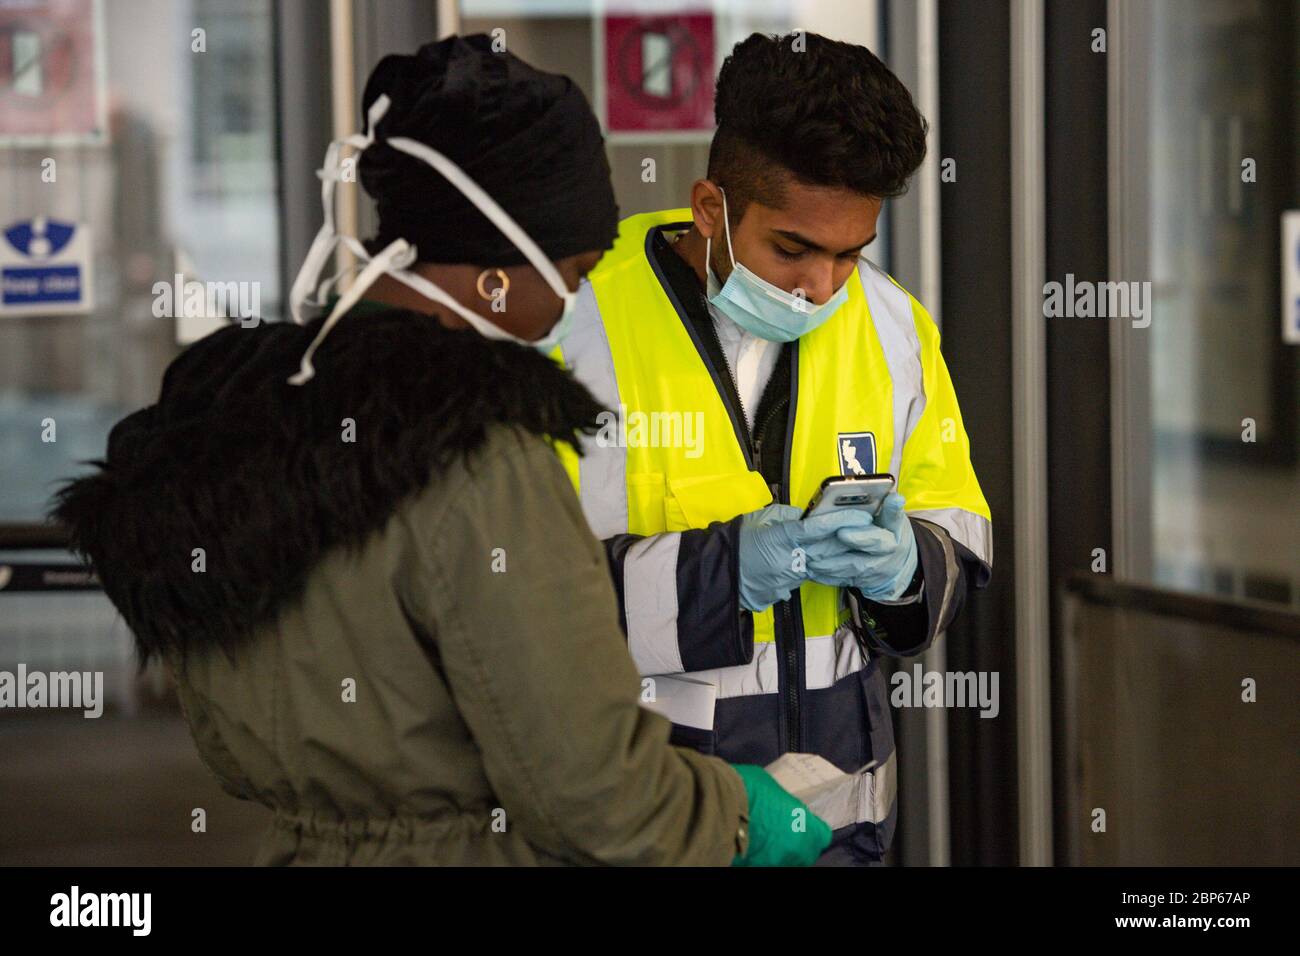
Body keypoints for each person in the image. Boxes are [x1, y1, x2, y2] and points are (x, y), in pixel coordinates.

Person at [50, 35, 831, 866]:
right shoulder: (482, 458)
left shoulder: (240, 425)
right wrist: (737, 815)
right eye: (572, 270)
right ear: (497, 272)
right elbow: (593, 793)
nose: (573, 301)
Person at [553, 32, 993, 865]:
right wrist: (728, 573)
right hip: (647, 830)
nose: (820, 287)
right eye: (792, 250)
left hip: (841, 832)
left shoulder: (894, 326)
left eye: (849, 255)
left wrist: (906, 571)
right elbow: (510, 603)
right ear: (711, 208)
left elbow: (958, 539)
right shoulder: (575, 326)